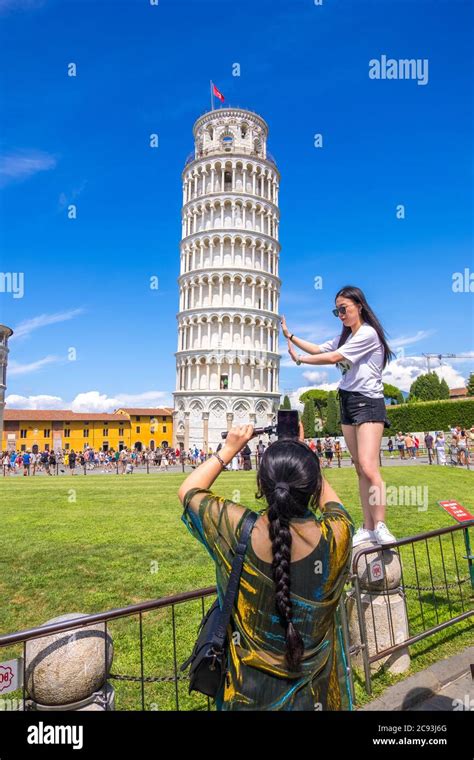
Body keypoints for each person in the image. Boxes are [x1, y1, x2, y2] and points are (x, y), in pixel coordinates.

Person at [178, 423, 354, 711]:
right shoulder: (338, 535)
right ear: (311, 485)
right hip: (316, 696)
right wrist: (301, 456)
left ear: (261, 485)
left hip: (247, 694)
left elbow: (189, 490)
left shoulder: (239, 530)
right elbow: (335, 506)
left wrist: (229, 449)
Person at [282, 285, 396, 546]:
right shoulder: (347, 336)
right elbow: (319, 349)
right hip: (347, 400)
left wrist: (298, 360)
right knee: (358, 469)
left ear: (359, 306)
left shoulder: (367, 334)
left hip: (368, 401)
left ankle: (381, 525)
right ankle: (368, 528)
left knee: (369, 466)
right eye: (336, 311)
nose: (340, 315)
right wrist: (292, 335)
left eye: (343, 309)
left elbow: (332, 357)